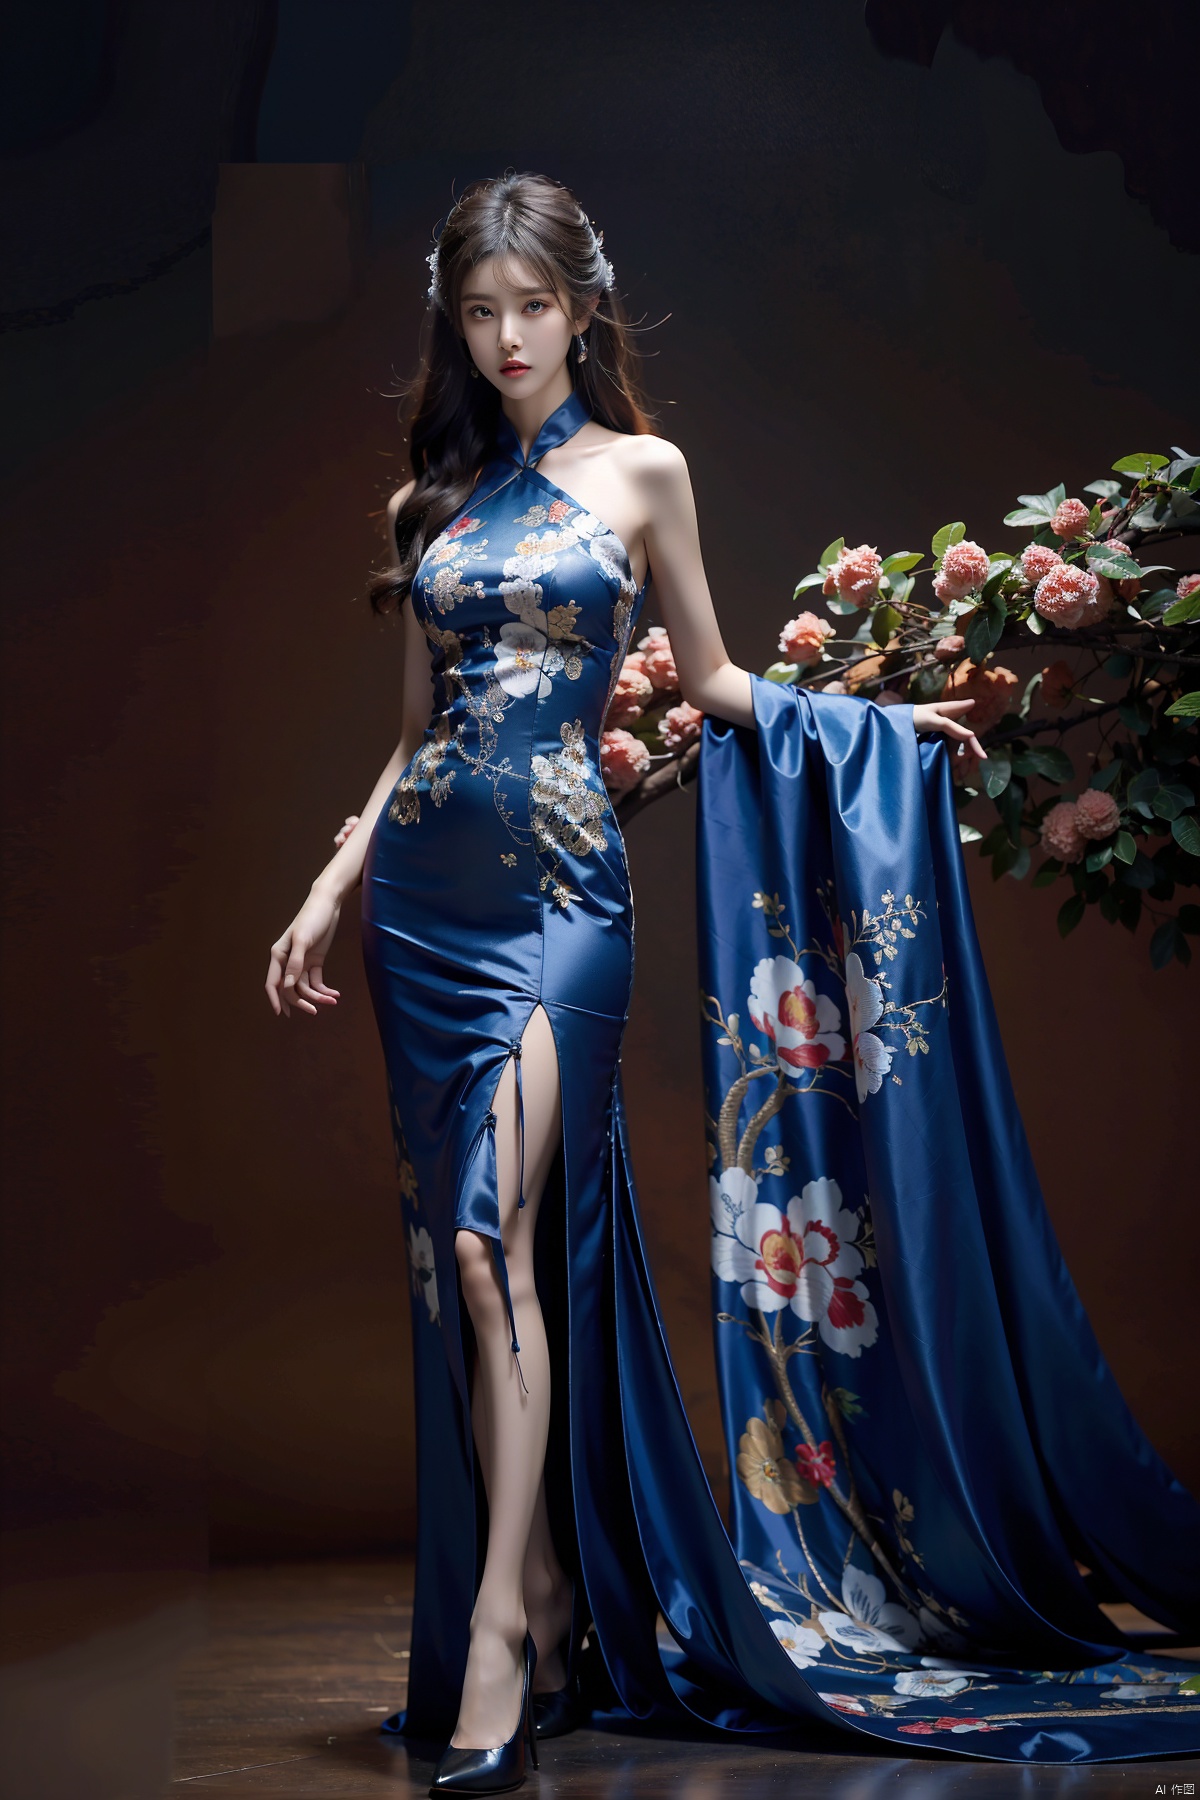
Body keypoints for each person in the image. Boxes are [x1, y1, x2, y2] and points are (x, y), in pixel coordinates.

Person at [266, 172, 1199, 1786]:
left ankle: (503, 1623)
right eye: (478, 313)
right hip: (423, 903)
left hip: (563, 903)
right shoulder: (429, 508)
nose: (505, 340)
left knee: (491, 1238)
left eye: (531, 309)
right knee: (476, 1267)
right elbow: (416, 738)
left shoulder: (644, 473)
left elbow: (706, 680)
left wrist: (880, 723)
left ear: (581, 308)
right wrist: (329, 884)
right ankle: (538, 1582)